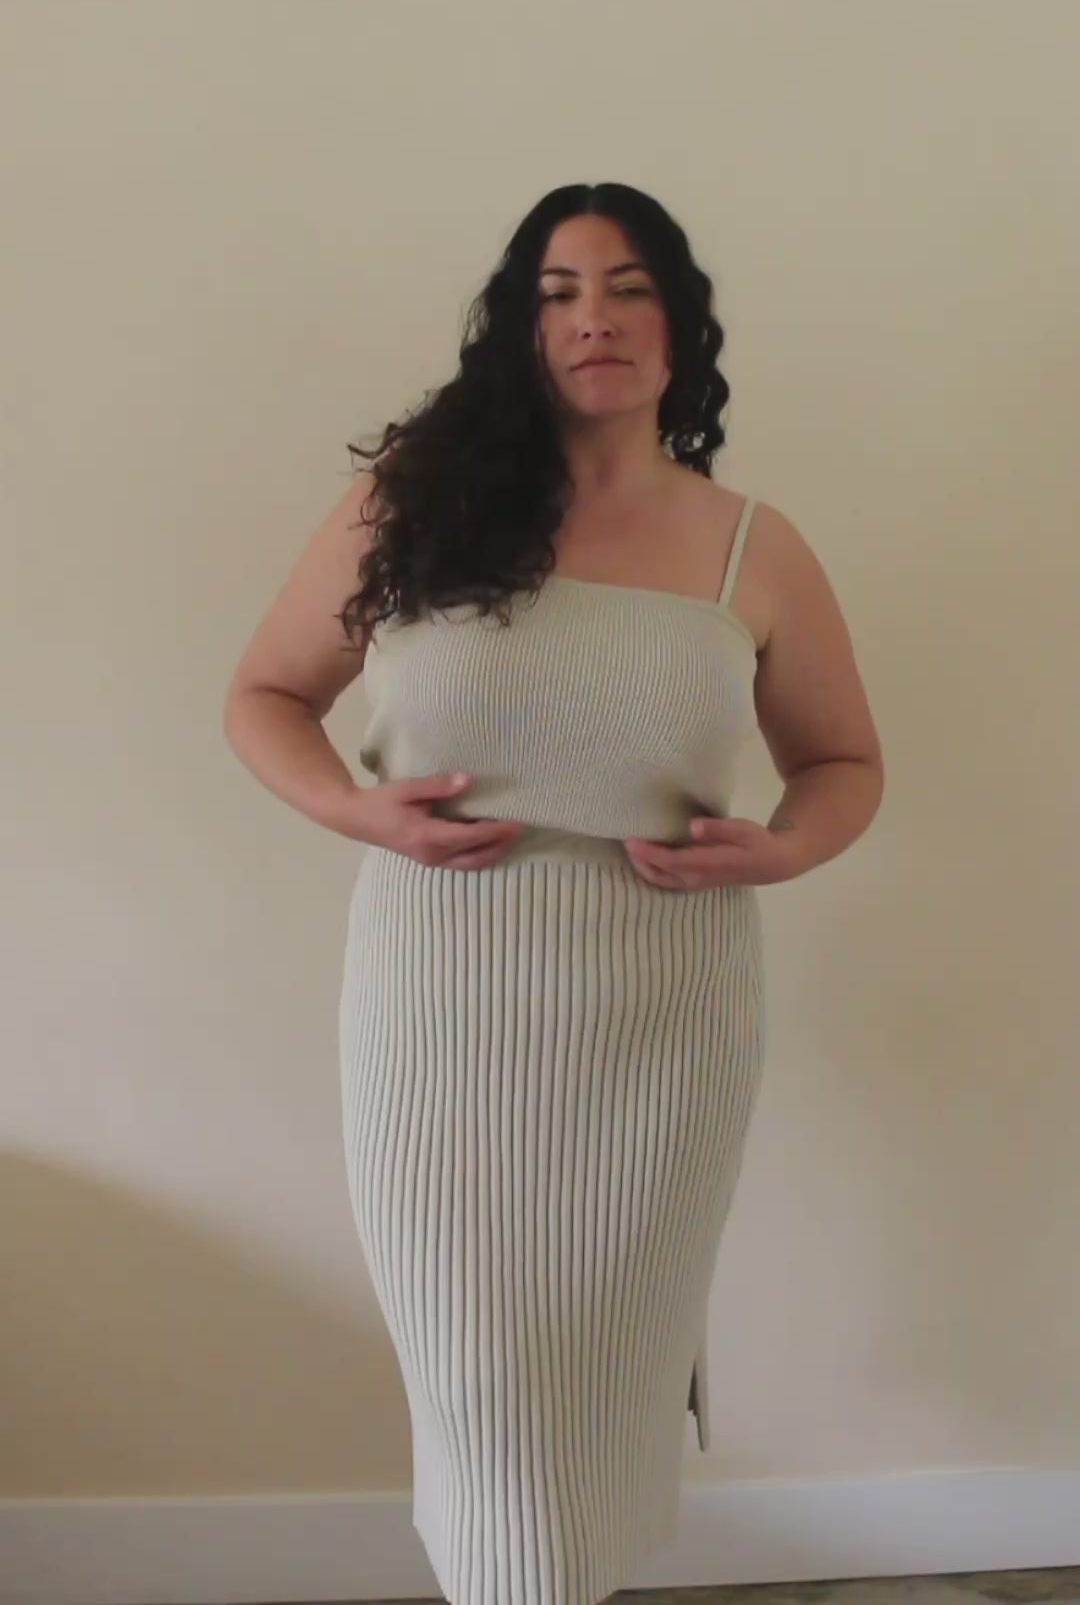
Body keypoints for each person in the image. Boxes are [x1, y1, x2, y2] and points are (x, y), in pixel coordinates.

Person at [224, 181, 884, 1605]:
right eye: (560, 291)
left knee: (606, 1382)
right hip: (438, 1010)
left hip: (666, 1022)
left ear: (680, 325)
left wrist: (783, 847)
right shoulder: (413, 505)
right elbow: (266, 694)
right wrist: (353, 808)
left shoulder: (751, 545)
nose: (596, 317)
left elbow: (842, 763)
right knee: (477, 1389)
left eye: (631, 287)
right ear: (519, 329)